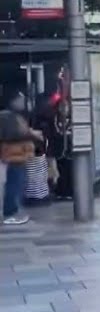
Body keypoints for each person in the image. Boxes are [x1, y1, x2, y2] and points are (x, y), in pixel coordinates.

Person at [1, 90, 43, 226]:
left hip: (20, 155)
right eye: (20, 100)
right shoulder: (6, 116)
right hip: (13, 155)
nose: (23, 103)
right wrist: (30, 134)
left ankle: (14, 211)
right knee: (14, 184)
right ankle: (10, 213)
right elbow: (10, 135)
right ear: (12, 101)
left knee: (18, 184)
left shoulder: (16, 116)